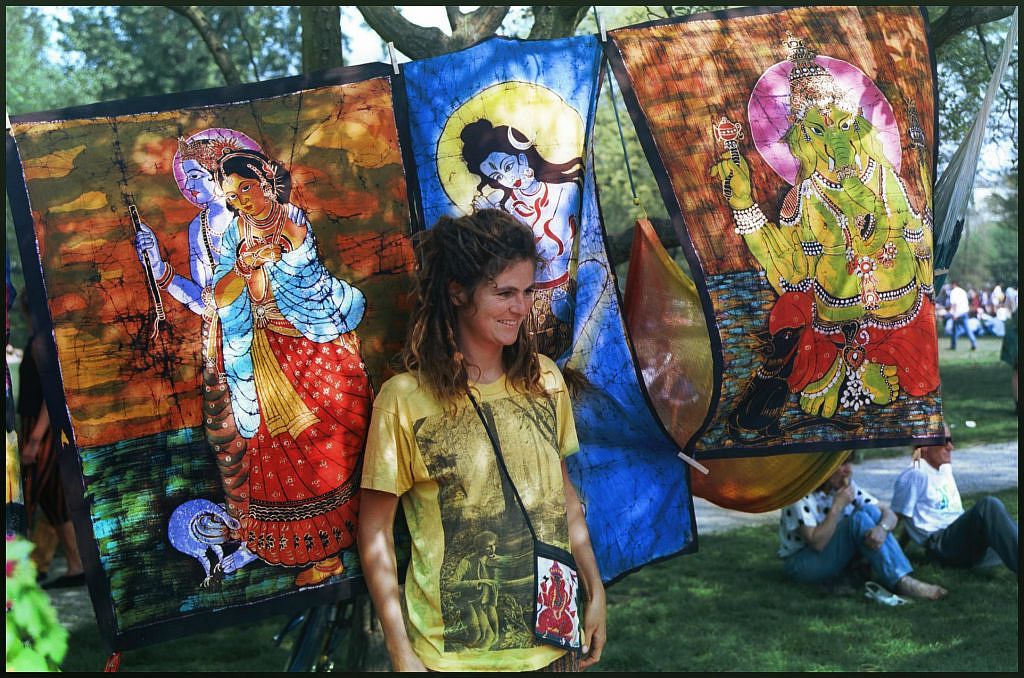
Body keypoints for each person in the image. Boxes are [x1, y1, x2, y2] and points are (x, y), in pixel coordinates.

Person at [359, 209, 606, 671]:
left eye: (527, 291)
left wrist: (595, 589)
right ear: (458, 292)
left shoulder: (544, 381)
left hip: (555, 646)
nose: (521, 307)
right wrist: (400, 651)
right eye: (504, 293)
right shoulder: (404, 401)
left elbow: (563, 498)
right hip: (452, 660)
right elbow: (374, 532)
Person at [211, 148, 372, 587]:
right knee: (281, 453)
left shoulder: (292, 220)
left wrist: (281, 254)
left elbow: (306, 279)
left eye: (246, 188)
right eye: (232, 196)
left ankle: (346, 549)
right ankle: (320, 555)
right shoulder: (233, 235)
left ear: (265, 180)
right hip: (264, 355)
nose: (241, 201)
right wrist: (242, 267)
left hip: (309, 347)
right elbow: (221, 295)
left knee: (327, 444)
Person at [460, 119, 584, 360]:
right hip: (521, 308)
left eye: (507, 166)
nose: (507, 178)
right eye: (497, 176)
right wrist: (485, 223)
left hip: (564, 295)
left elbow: (548, 248)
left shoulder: (564, 191)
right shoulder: (505, 211)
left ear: (522, 158)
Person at [778, 453, 946, 600]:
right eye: (842, 464)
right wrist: (837, 507)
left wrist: (882, 529)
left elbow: (889, 514)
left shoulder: (845, 488)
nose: (848, 470)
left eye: (849, 462)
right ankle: (901, 582)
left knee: (871, 511)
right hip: (800, 564)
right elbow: (817, 543)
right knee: (858, 519)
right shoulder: (799, 494)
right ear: (823, 467)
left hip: (831, 557)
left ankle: (902, 578)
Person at [892, 425, 1018, 573]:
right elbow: (898, 516)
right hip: (943, 546)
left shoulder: (944, 468)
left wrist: (902, 547)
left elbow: (914, 515)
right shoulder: (913, 475)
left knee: (1008, 525)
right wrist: (893, 552)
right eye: (944, 441)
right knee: (989, 506)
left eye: (950, 440)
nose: (950, 447)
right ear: (924, 446)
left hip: (960, 538)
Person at [18, 330, 84, 588]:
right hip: (44, 431)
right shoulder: (38, 338)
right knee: (54, 502)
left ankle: (16, 574)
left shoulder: (41, 341)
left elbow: (52, 393)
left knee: (24, 500)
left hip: (39, 431)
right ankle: (76, 566)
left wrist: (34, 439)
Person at [947, 280, 976, 351]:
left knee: (954, 330)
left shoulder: (953, 292)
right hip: (964, 312)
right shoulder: (963, 291)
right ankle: (973, 344)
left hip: (957, 313)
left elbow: (954, 304)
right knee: (968, 330)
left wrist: (954, 314)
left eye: (951, 285)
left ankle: (953, 346)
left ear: (954, 284)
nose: (950, 286)